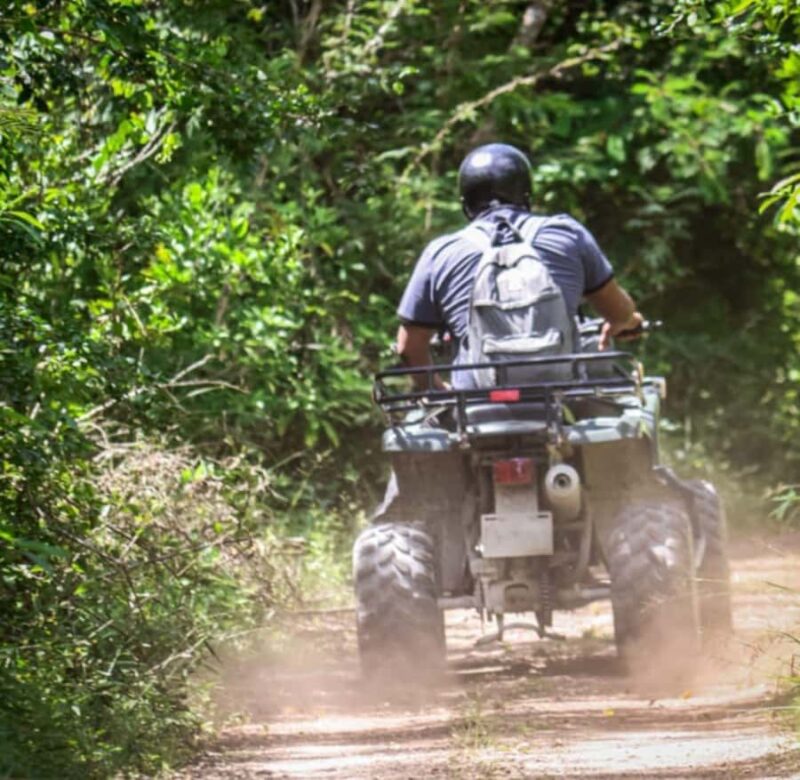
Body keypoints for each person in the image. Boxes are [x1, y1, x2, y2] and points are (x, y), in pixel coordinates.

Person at [396, 143, 643, 387]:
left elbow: (409, 348)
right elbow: (618, 312)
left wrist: (438, 392)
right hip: (560, 402)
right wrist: (627, 321)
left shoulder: (441, 253)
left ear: (466, 203)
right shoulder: (566, 234)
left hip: (475, 409)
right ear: (526, 193)